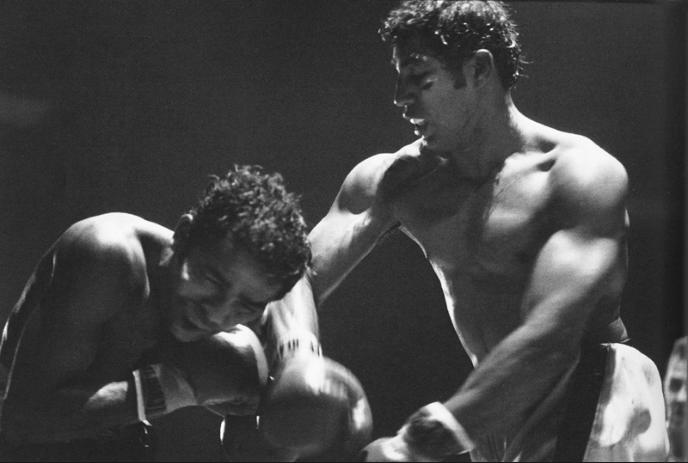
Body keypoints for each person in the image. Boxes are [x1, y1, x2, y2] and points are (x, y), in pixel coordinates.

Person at [284, 1, 670, 461]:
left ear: (479, 69)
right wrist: (295, 355)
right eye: (399, 78)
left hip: (593, 391)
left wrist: (417, 442)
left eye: (419, 78)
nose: (400, 97)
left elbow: (552, 336)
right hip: (494, 409)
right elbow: (294, 275)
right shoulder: (396, 181)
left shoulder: (578, 176)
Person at [0, 164, 371, 461]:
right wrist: (173, 387)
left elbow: (251, 450)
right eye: (211, 279)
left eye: (246, 305)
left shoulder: (248, 300)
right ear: (183, 233)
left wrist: (297, 376)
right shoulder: (107, 258)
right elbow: (19, 420)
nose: (217, 314)